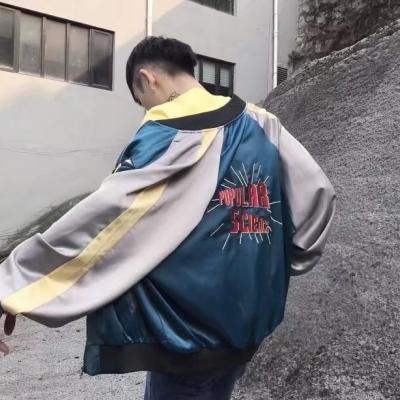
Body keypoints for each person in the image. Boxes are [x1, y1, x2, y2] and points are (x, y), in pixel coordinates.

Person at [0, 36, 337, 399]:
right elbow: (317, 195)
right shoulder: (264, 122)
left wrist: (12, 287)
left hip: (184, 333)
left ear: (147, 79)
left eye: (142, 101)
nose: (146, 112)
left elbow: (105, 225)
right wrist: (281, 266)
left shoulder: (173, 132)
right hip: (246, 327)